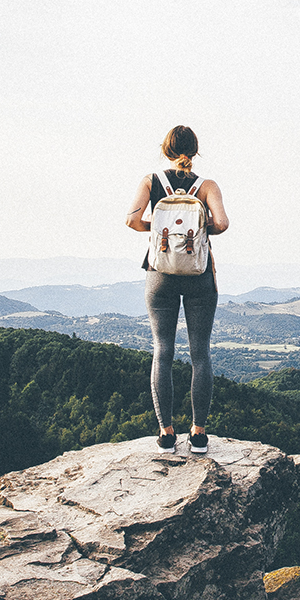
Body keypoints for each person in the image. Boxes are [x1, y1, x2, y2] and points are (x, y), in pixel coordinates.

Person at [126, 125, 230, 455]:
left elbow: (131, 220)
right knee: (200, 353)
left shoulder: (151, 182)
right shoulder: (206, 186)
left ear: (165, 149)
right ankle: (198, 434)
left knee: (163, 350)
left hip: (160, 273)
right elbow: (223, 223)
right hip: (198, 272)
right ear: (195, 151)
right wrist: (198, 230)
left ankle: (166, 434)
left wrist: (159, 230)